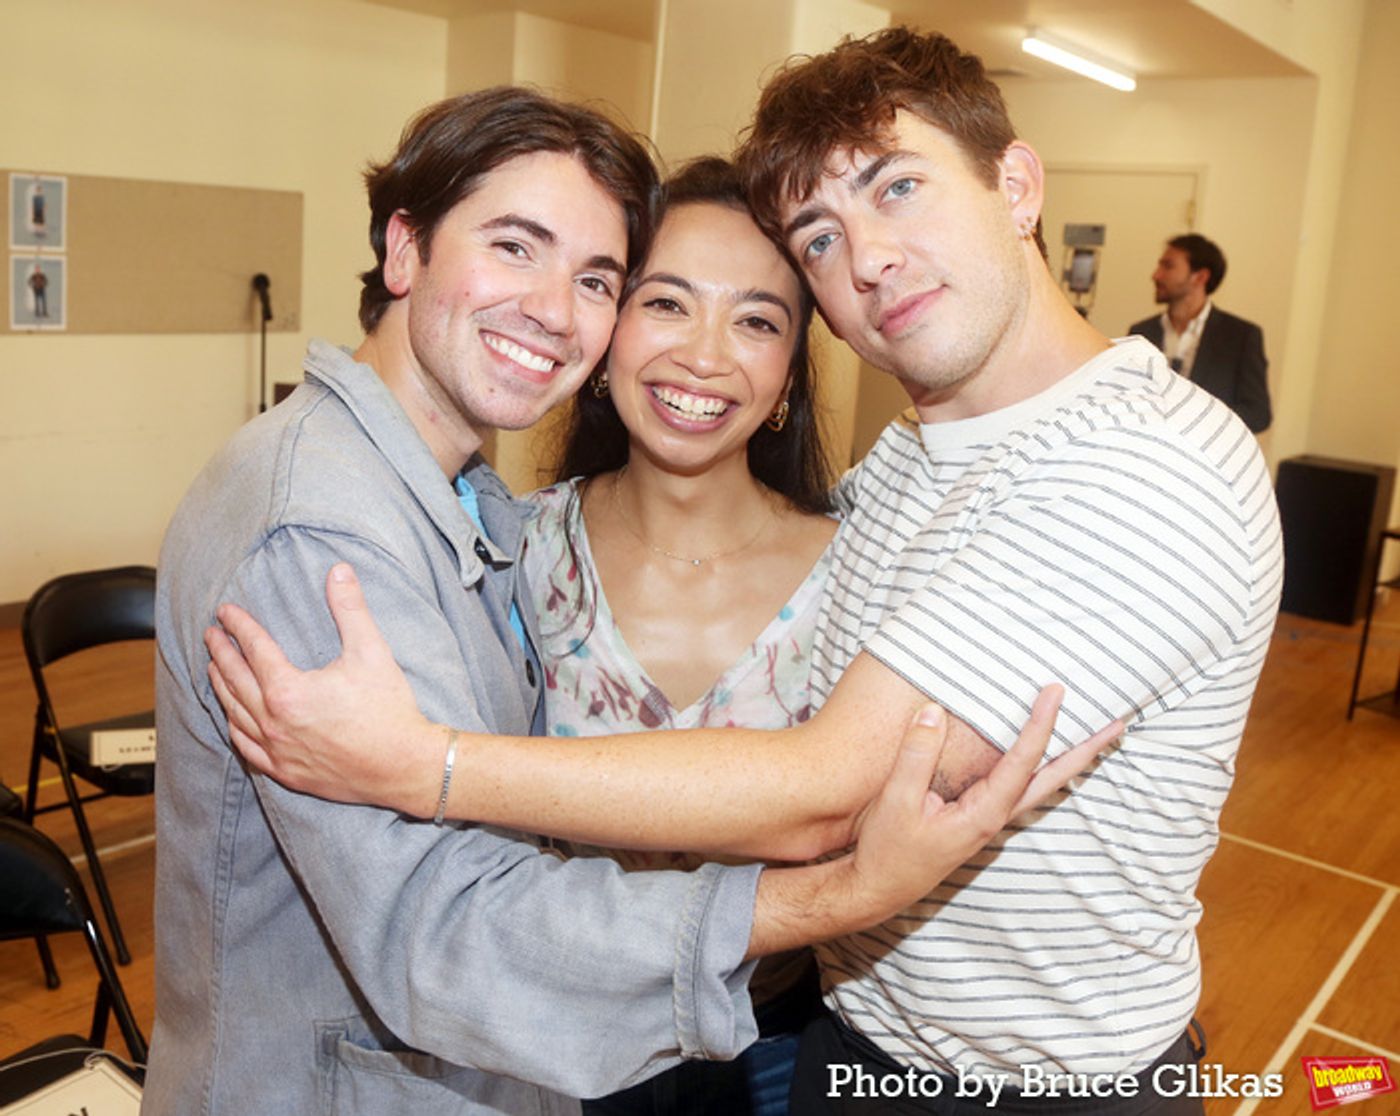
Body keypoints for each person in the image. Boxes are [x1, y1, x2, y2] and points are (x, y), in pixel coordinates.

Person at [202, 27, 1273, 1113]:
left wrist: (424, 763)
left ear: (1016, 185)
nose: (866, 259)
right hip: (857, 1042)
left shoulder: (1142, 464)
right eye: (819, 234)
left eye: (897, 188)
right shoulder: (899, 466)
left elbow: (830, 791)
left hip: (1036, 1083)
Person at [532, 156, 834, 1116]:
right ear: (606, 332)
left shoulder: (855, 574)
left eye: (755, 320)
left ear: (788, 371)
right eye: (666, 303)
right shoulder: (514, 552)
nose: (707, 356)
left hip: (774, 1049)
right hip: (552, 1045)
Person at [1129, 233, 1271, 433]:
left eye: (1168, 266)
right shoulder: (1141, 332)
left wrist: (1196, 419)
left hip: (1205, 457)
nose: (1156, 275)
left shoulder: (1241, 337)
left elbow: (1258, 414)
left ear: (1200, 277)